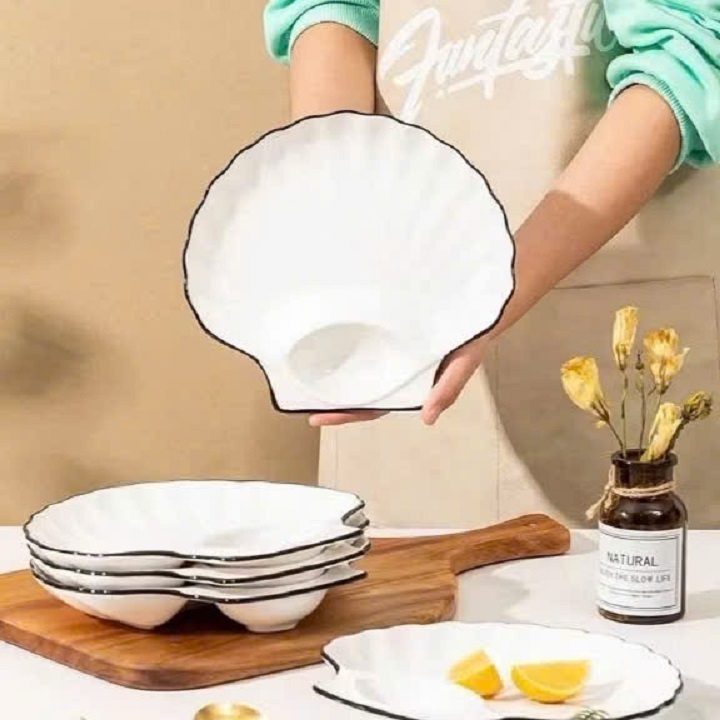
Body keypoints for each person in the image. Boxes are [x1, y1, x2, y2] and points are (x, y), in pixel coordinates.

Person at [262, 0, 720, 527]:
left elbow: (688, 55)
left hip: (616, 339)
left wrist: (488, 294)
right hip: (398, 346)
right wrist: (334, 209)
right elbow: (334, 11)